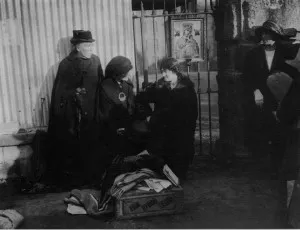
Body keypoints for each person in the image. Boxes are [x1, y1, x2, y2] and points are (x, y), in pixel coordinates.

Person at [46, 30, 104, 188]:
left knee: (93, 144)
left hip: (92, 112)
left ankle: (92, 179)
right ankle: (74, 182)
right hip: (73, 115)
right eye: (87, 45)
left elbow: (101, 85)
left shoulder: (96, 61)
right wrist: (75, 94)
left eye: (91, 45)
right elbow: (60, 92)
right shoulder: (66, 64)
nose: (91, 48)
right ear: (77, 47)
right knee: (74, 146)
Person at [243, 20, 300, 179]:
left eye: (270, 34)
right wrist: (255, 91)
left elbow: (295, 77)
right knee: (260, 131)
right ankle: (261, 168)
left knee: (281, 134)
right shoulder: (253, 54)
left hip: (282, 99)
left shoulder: (286, 53)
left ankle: (277, 167)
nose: (266, 37)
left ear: (276, 36)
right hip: (260, 99)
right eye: (263, 34)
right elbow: (247, 78)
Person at [136, 57, 198, 180]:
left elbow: (191, 114)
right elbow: (141, 98)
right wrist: (148, 116)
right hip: (162, 136)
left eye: (166, 71)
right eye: (162, 71)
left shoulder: (186, 88)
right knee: (161, 174)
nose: (163, 74)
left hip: (181, 136)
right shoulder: (160, 85)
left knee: (177, 175)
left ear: (175, 70)